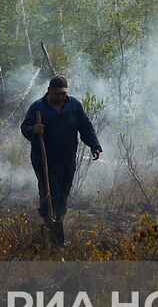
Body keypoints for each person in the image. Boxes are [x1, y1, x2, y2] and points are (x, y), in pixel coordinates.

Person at [20, 75, 103, 247]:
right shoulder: (38, 107)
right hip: (44, 161)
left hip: (67, 160)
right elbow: (25, 127)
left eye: (63, 94)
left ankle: (55, 221)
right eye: (56, 94)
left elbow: (85, 126)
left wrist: (94, 145)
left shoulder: (74, 105)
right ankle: (48, 227)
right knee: (50, 193)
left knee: (62, 196)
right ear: (49, 91)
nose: (60, 97)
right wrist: (33, 130)